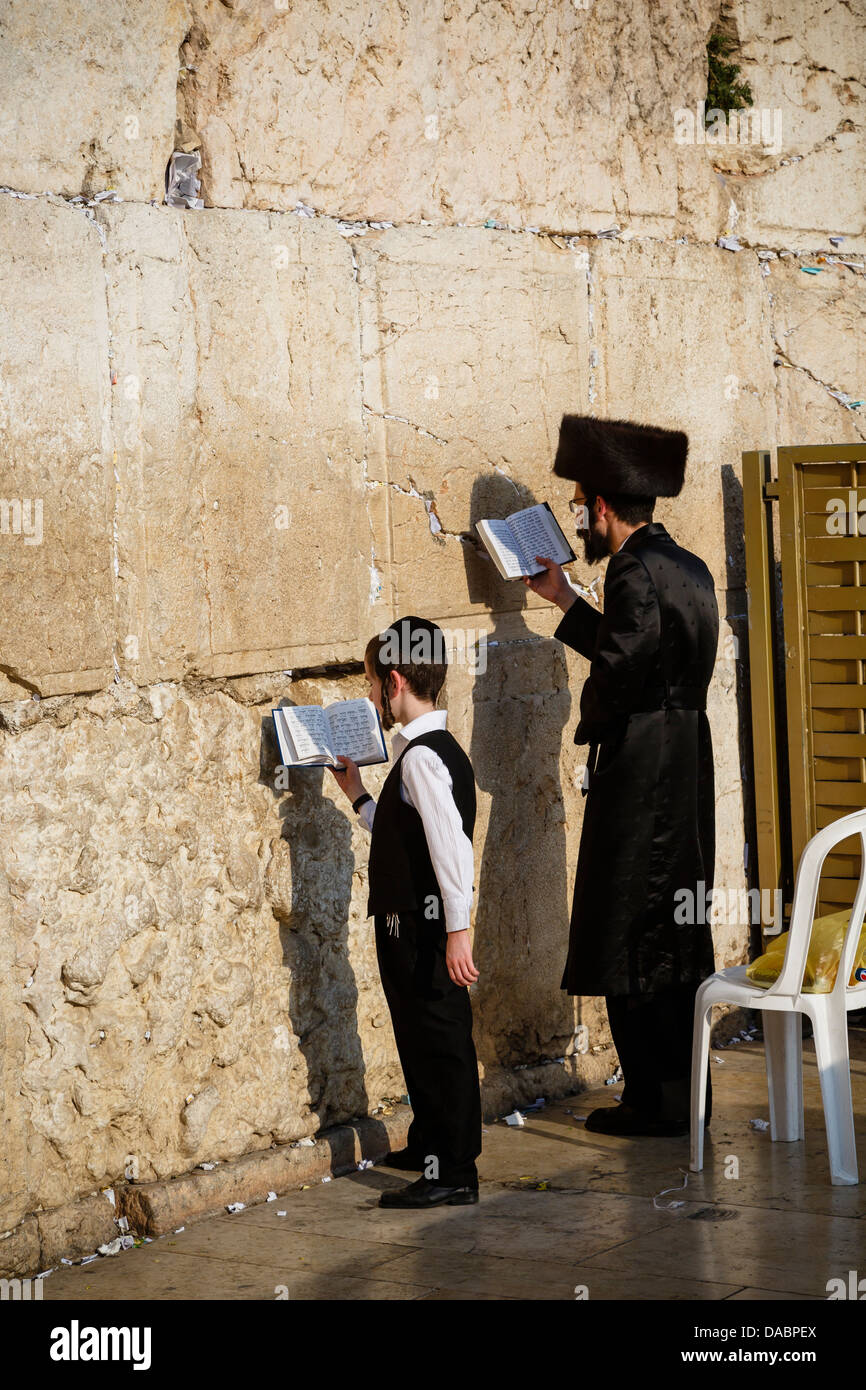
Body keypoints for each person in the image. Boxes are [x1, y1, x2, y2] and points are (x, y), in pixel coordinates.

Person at [524, 415, 719, 1137]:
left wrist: (591, 724)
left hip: (640, 773)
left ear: (603, 507)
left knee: (628, 927)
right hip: (684, 765)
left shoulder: (632, 571)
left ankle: (650, 1103)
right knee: (669, 924)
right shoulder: (687, 567)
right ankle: (675, 1095)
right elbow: (647, 649)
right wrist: (565, 601)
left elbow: (622, 667)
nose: (580, 518)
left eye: (581, 505)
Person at [329, 615, 483, 1206]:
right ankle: (428, 1146)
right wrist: (360, 797)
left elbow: (449, 847)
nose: (371, 696)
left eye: (371, 684)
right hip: (411, 932)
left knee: (440, 1043)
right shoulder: (425, 753)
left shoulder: (421, 759)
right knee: (418, 1039)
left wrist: (458, 931)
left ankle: (453, 1175)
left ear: (394, 681)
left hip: (426, 933)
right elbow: (403, 837)